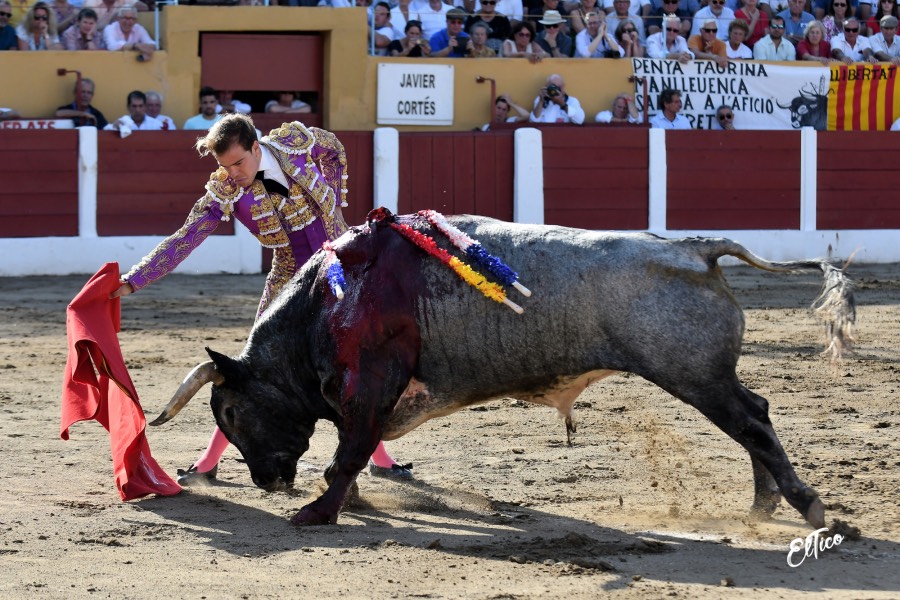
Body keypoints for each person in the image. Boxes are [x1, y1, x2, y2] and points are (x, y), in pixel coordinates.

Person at [111, 114, 413, 484]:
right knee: (250, 375)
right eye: (225, 166)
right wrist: (133, 281)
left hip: (340, 268)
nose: (233, 173)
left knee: (355, 364)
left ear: (256, 147)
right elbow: (185, 238)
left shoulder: (295, 144)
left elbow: (333, 149)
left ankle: (380, 459)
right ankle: (206, 466)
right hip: (289, 282)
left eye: (238, 162)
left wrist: (335, 206)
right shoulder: (226, 190)